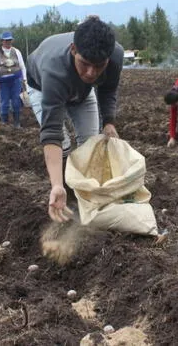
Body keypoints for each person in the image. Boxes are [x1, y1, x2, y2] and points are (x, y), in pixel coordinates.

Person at [25, 16, 124, 222]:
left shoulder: (115, 55)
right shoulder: (54, 69)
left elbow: (108, 89)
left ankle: (86, 197)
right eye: (85, 64)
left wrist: (109, 121)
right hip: (43, 88)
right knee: (65, 145)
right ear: (73, 50)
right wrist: (56, 185)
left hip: (82, 92)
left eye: (99, 66)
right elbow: (51, 132)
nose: (91, 73)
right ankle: (66, 195)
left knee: (90, 143)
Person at [0, 31, 27, 127]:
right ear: (2, 41)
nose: (8, 42)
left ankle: (17, 122)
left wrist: (24, 79)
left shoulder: (16, 51)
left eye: (10, 40)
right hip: (3, 82)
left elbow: (22, 66)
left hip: (16, 81)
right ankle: (4, 123)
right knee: (4, 102)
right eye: (6, 41)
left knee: (16, 101)